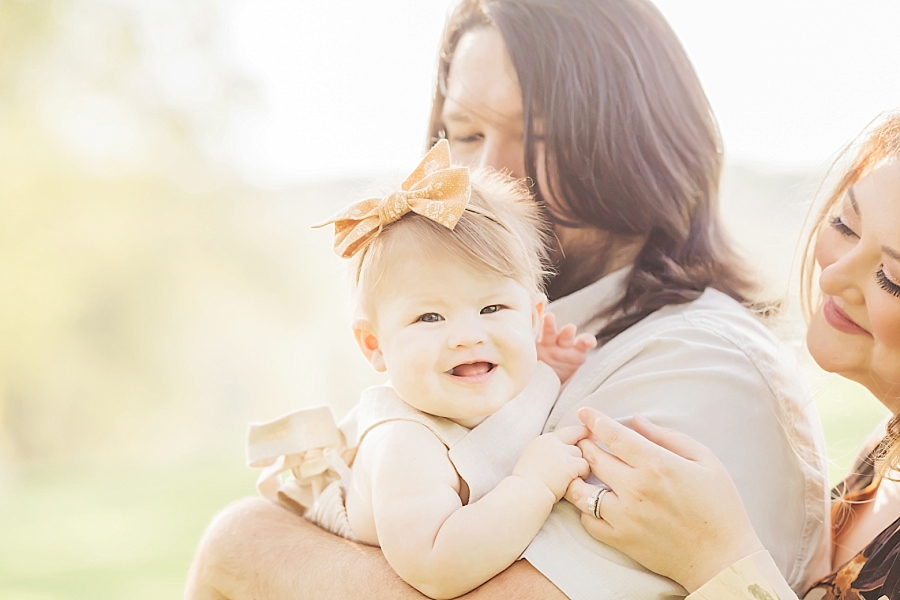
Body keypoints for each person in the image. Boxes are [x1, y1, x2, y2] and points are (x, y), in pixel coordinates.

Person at [185, 1, 829, 598]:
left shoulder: (700, 365)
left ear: (645, 145)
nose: (486, 176)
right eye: (463, 134)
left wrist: (242, 548)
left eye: (541, 139)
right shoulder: (524, 340)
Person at [566, 112, 900, 599]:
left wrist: (716, 557)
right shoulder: (883, 450)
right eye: (845, 225)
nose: (831, 278)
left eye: (892, 276)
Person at [245, 139, 598, 599]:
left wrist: (548, 368)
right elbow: (436, 567)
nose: (468, 335)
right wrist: (532, 485)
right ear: (375, 346)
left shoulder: (504, 383)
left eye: (493, 308)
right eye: (429, 317)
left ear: (533, 319)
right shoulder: (404, 445)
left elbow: (507, 423)